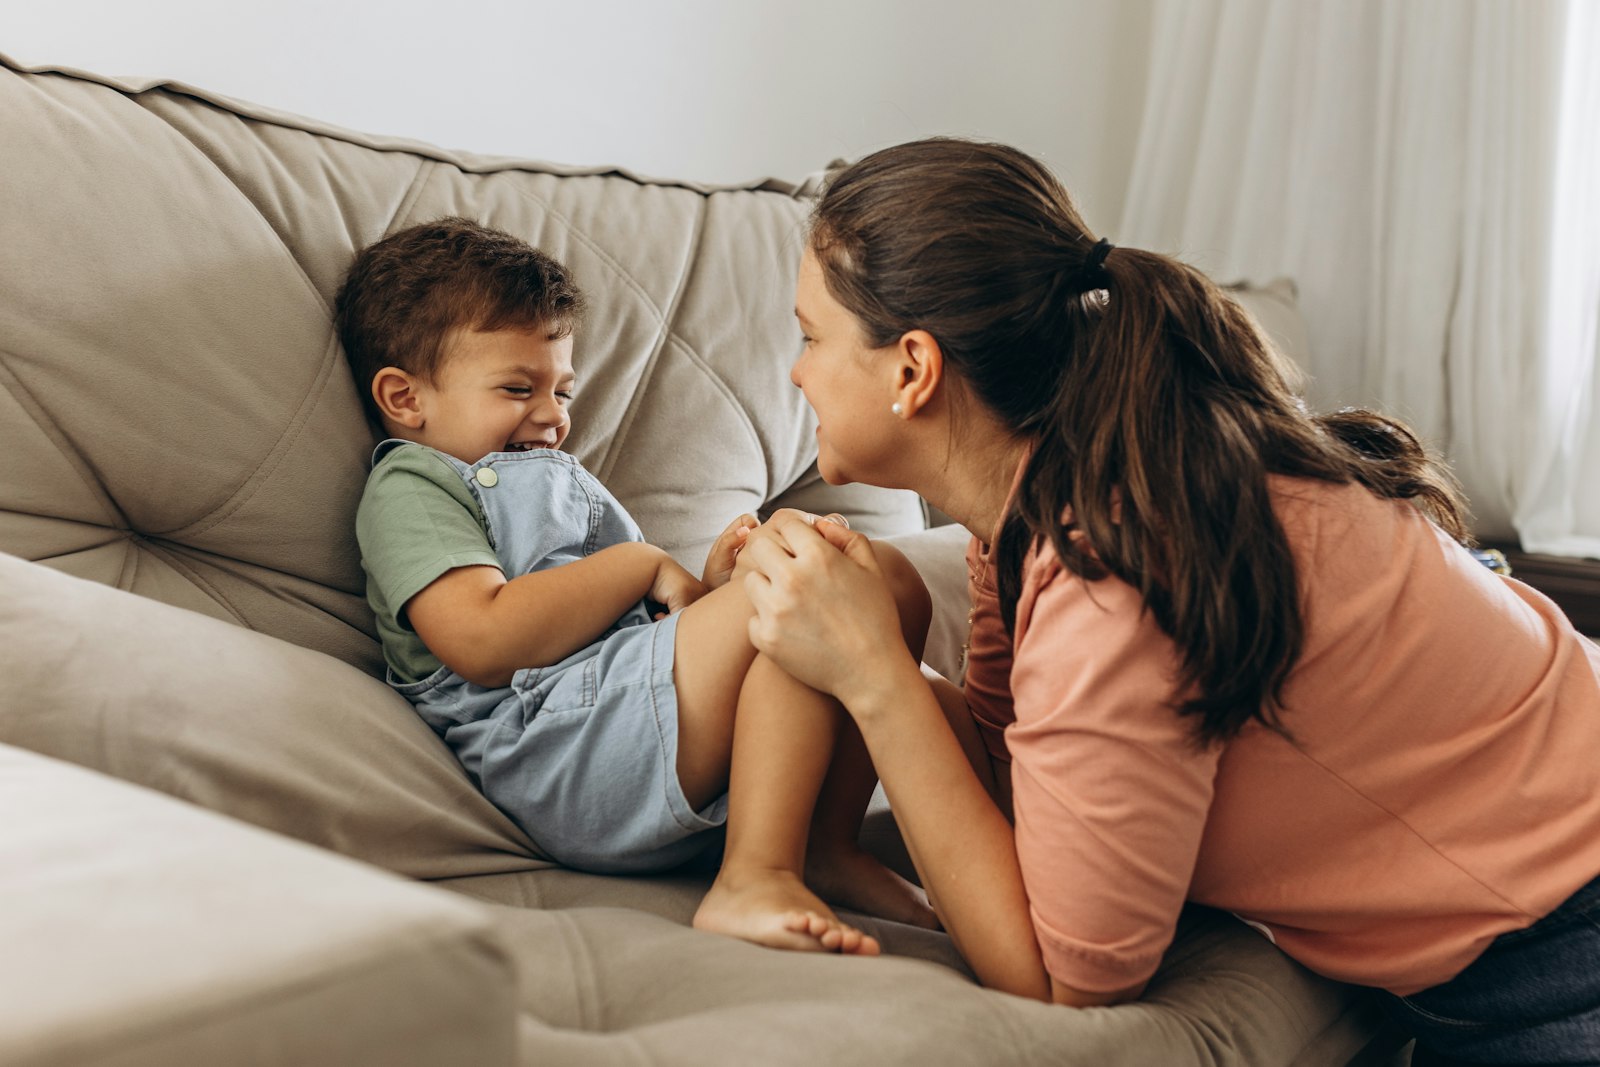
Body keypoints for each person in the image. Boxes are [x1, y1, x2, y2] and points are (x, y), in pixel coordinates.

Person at [730, 138, 1600, 1063]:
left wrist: (875, 675)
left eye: (812, 336)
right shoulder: (1047, 507)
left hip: (1564, 936)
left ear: (913, 370)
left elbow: (1066, 978)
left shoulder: (1119, 561)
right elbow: (1019, 776)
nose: (797, 373)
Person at [337, 217, 937, 955]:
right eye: (518, 387)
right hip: (557, 751)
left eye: (562, 389)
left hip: (629, 714)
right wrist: (640, 564)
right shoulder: (412, 483)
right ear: (404, 399)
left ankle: (823, 842)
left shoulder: (545, 475)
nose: (553, 415)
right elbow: (483, 637)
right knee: (807, 585)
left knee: (885, 581)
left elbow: (640, 631)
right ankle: (751, 875)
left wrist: (710, 586)